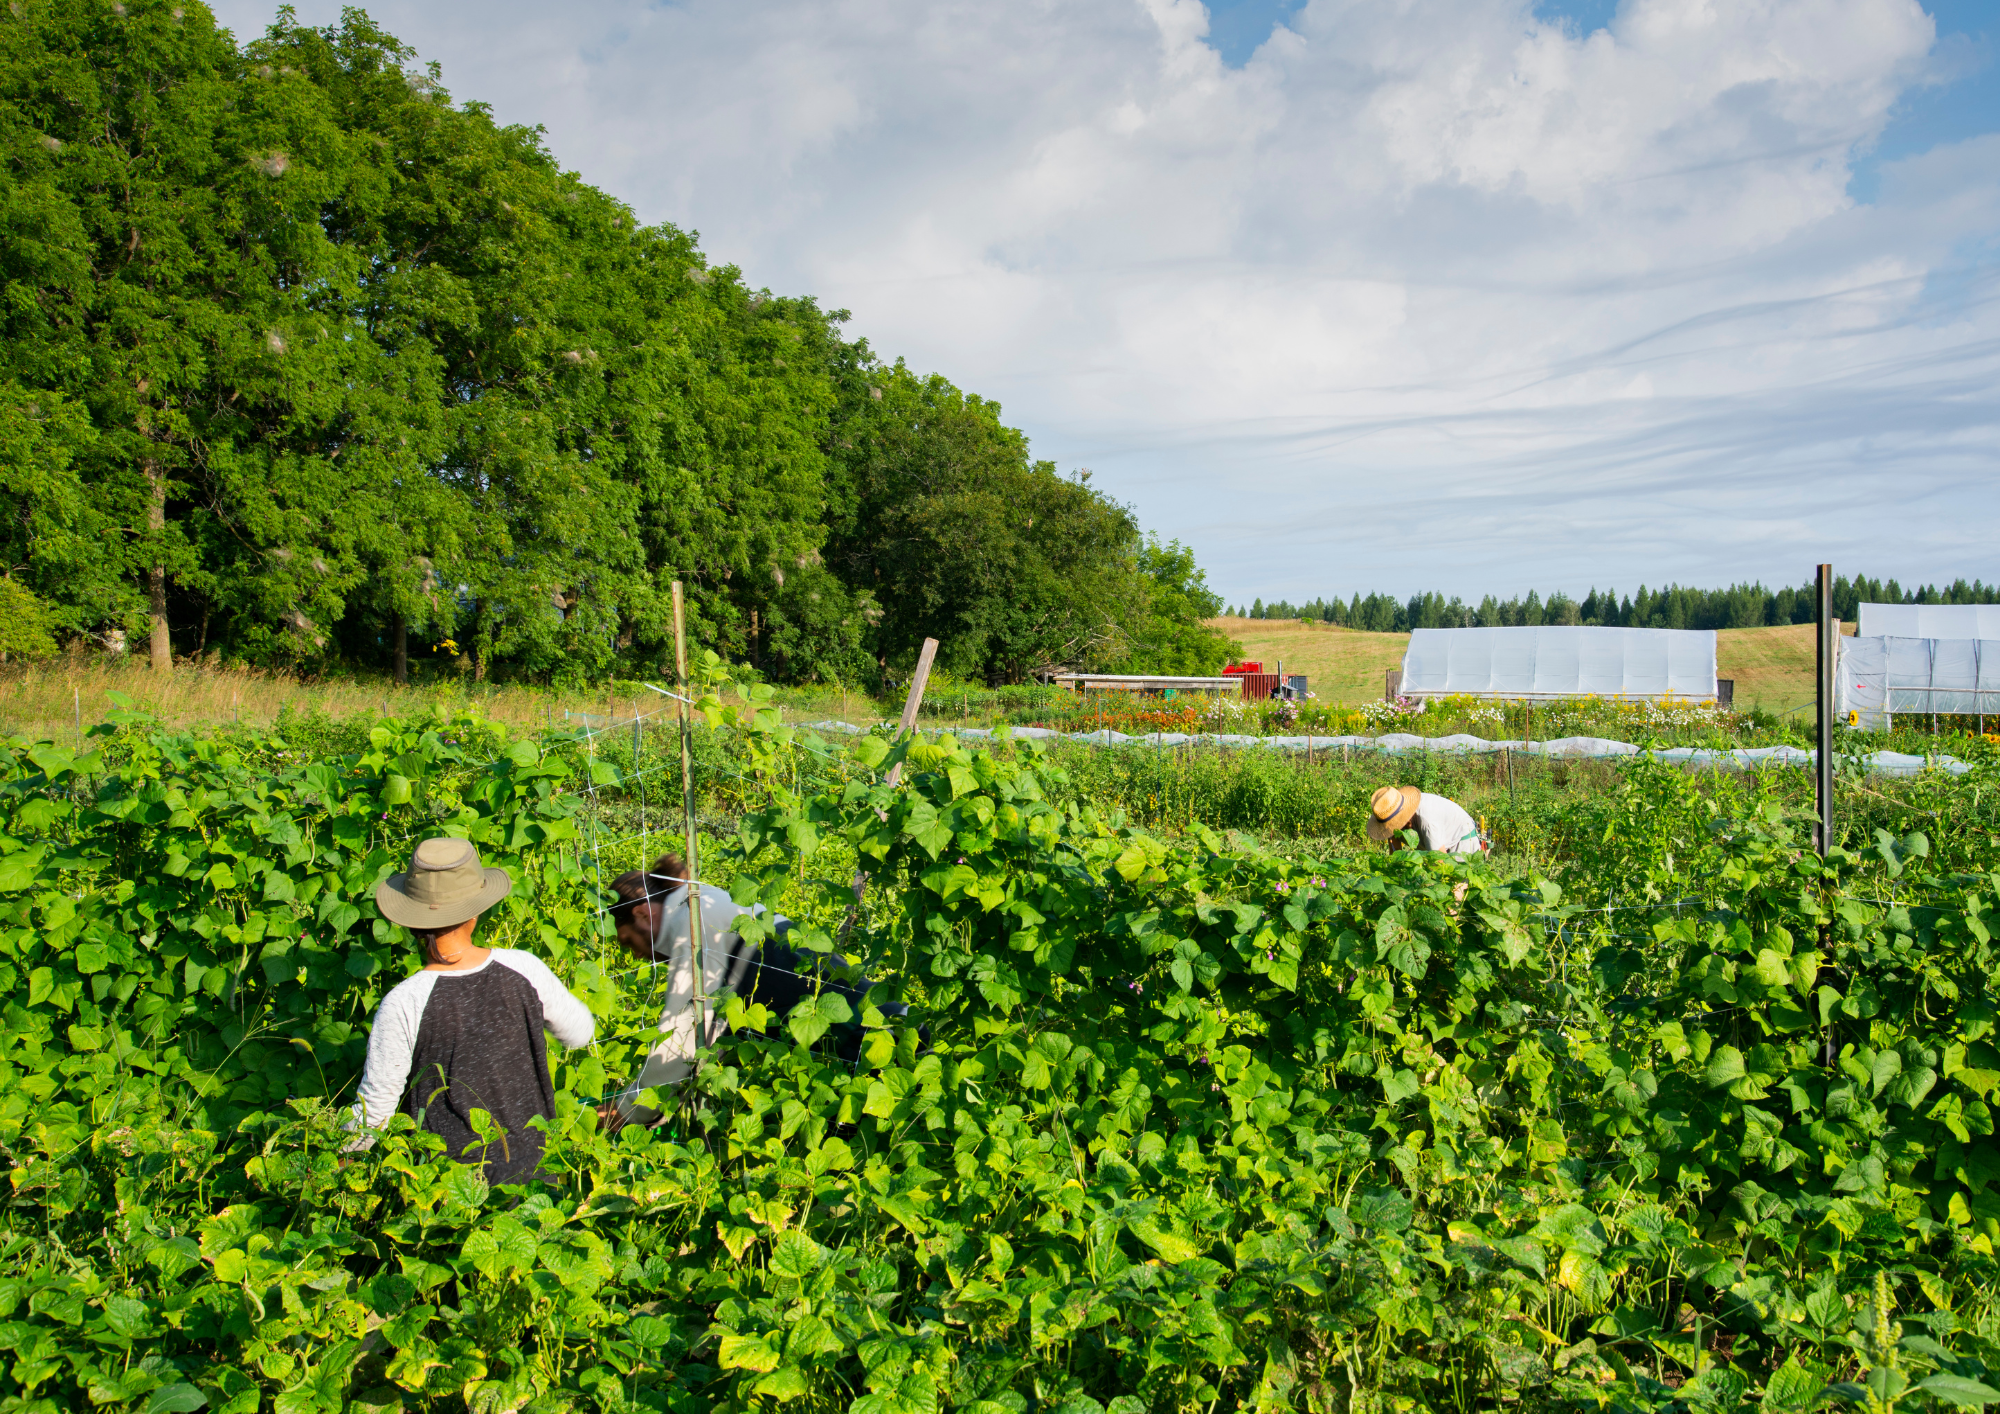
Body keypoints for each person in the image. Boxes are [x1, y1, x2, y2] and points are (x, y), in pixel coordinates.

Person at [346, 837, 596, 1184]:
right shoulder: (524, 968)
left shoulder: (404, 1002)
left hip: (449, 1188)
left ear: (411, 922)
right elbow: (580, 1031)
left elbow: (375, 1112)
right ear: (475, 911)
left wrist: (335, 1160)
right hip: (535, 1172)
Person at [599, 853, 892, 1132]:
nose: (637, 955)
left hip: (868, 1039)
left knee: (866, 1072)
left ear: (642, 914)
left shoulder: (690, 922)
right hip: (864, 1026)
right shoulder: (695, 899)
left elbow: (680, 1038)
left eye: (628, 941)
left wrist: (627, 1112)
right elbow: (714, 1030)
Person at [1367, 785, 1486, 856]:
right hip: (1439, 843)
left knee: (1455, 890)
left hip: (1461, 841)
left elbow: (1439, 860)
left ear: (1405, 817)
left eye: (1396, 823)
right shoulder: (1389, 809)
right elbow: (1395, 853)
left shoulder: (1428, 821)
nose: (1394, 827)